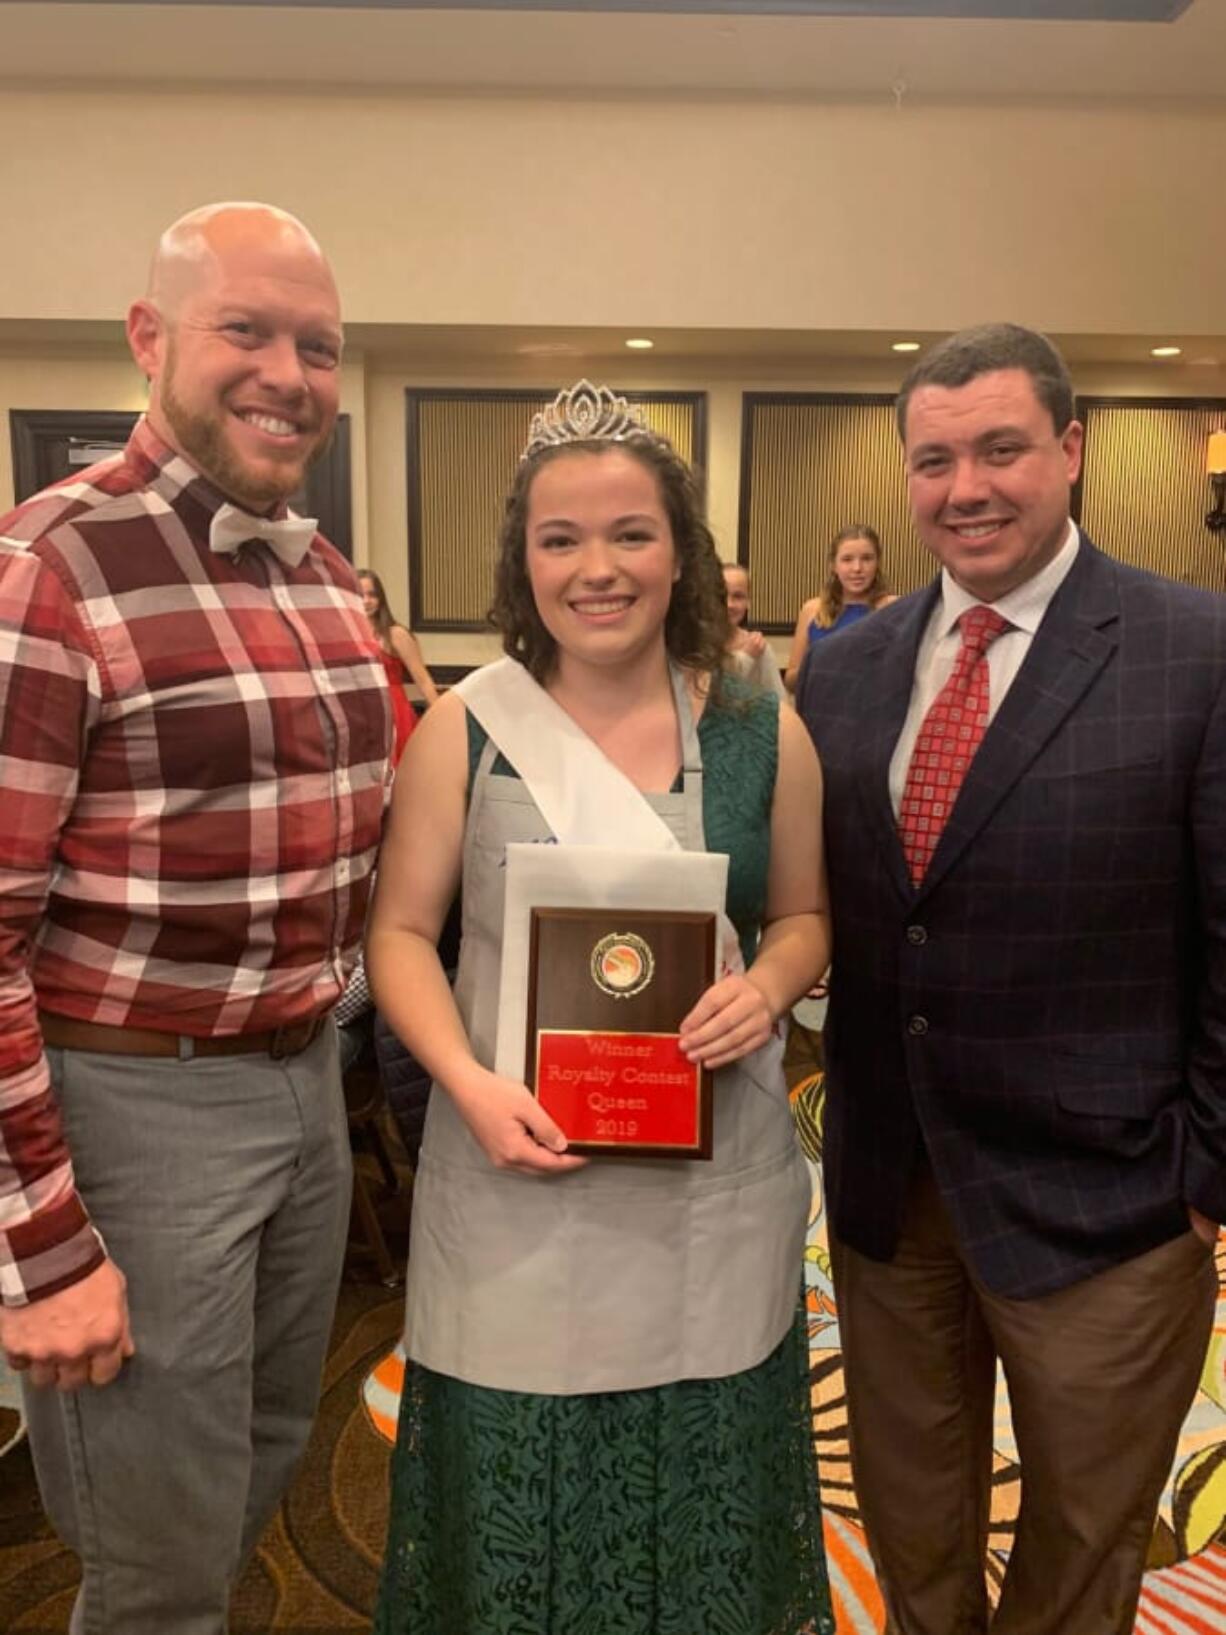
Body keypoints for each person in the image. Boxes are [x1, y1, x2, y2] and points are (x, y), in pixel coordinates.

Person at [367, 380, 834, 1635]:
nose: (598, 569)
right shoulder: (463, 729)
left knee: (698, 1511)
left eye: (631, 533)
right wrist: (465, 1085)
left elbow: (802, 916)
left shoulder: (756, 724)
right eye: (559, 539)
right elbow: (400, 935)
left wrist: (770, 987)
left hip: (709, 1188)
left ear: (678, 546)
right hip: (517, 1173)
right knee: (523, 1513)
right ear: (522, 562)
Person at [796, 322, 1224, 1635]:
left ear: (1070, 449)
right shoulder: (849, 664)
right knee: (909, 1527)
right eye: (933, 459)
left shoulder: (1191, 647)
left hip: (1107, 1198)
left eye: (998, 449)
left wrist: (1203, 1174)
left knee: (1081, 1543)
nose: (963, 487)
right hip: (887, 1192)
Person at [0, 202, 389, 1634]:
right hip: (131, 1105)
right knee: (153, 1550)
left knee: (253, 1469)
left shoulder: (325, 577)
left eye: (320, 345)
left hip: (302, 1085)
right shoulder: (53, 562)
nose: (290, 370)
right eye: (247, 329)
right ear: (150, 340)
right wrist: (38, 1247)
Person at [783, 523, 894, 691]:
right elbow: (790, 682)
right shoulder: (812, 609)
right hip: (820, 710)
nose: (857, 568)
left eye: (866, 559)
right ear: (833, 565)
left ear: (877, 562)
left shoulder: (893, 608)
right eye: (847, 559)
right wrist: (822, 661)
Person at [359, 567, 439, 764]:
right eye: (360, 595)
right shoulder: (350, 634)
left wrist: (441, 718)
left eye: (372, 595)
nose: (366, 601)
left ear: (381, 599)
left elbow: (423, 679)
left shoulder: (396, 634)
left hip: (394, 711)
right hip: (362, 713)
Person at [723, 560, 786, 698]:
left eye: (738, 596)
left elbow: (780, 703)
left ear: (748, 602)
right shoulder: (696, 646)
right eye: (721, 595)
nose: (729, 604)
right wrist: (745, 657)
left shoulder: (759, 647)